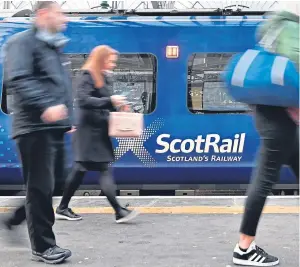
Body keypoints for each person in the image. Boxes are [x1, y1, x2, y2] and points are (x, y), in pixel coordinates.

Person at [3, 1, 73, 264]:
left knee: (56, 183)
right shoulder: (23, 42)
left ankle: (15, 219)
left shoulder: (52, 46)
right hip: (33, 127)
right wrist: (46, 105)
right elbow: (18, 78)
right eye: (60, 13)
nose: (64, 18)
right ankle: (44, 247)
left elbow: (61, 87)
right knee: (41, 187)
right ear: (44, 14)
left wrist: (69, 117)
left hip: (53, 126)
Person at [232, 6, 299, 267]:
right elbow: (296, 61)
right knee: (264, 180)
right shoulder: (293, 28)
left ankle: (244, 247)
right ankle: (244, 248)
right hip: (279, 118)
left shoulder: (273, 26)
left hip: (270, 113)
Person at [55, 45, 139, 223]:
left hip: (97, 130)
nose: (113, 64)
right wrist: (110, 100)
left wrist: (117, 104)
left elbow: (100, 101)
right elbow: (83, 100)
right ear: (100, 59)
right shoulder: (87, 75)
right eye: (110, 60)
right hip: (88, 131)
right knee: (101, 169)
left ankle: (63, 207)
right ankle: (118, 211)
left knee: (81, 170)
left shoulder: (102, 76)